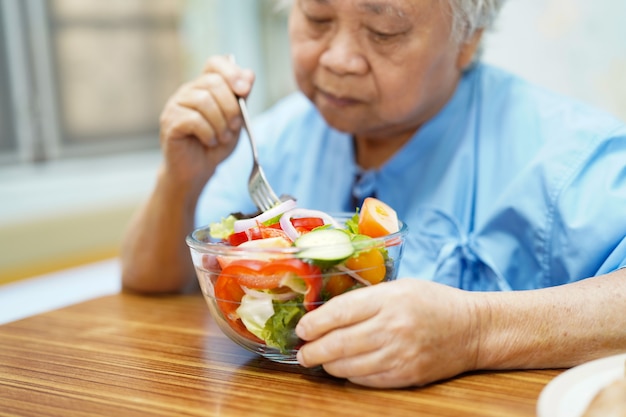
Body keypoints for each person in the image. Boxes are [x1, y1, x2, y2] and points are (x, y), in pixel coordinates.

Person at [121, 0, 626, 388]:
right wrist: (180, 178)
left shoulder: (568, 155)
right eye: (317, 17)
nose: (339, 59)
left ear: (467, 40)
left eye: (385, 31)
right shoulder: (271, 138)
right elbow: (150, 282)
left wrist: (476, 332)